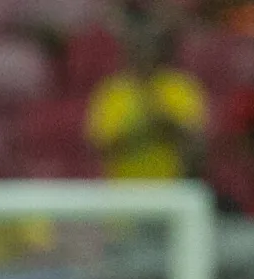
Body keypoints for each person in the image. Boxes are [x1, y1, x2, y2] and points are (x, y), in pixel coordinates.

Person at [85, 16, 207, 181]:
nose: (143, 53)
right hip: (123, 193)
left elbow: (196, 142)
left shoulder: (180, 87)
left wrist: (158, 115)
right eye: (137, 47)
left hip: (173, 188)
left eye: (149, 46)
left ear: (162, 49)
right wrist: (139, 127)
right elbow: (101, 145)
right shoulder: (112, 91)